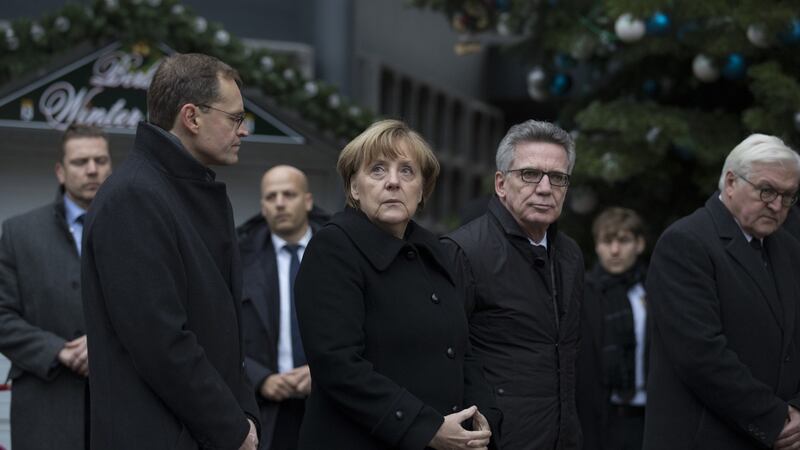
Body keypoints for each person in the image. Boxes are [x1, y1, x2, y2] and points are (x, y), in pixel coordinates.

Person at [81, 53, 260, 450]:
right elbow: (161, 341)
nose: (243, 131)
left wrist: (245, 415)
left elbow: (226, 337)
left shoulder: (188, 190)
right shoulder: (134, 197)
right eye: (235, 118)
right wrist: (233, 428)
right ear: (192, 117)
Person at [294, 119, 500, 450]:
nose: (393, 182)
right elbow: (337, 365)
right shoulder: (333, 248)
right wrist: (427, 428)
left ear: (423, 190)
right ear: (354, 188)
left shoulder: (434, 252)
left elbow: (461, 351)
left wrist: (484, 417)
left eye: (407, 171)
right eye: (377, 170)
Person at [644, 134, 800, 450]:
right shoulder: (686, 243)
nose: (777, 205)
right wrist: (775, 418)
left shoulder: (788, 248)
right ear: (730, 182)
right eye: (767, 190)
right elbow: (700, 356)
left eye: (788, 196)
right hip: (707, 438)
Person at [442, 119, 584, 450]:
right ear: (501, 184)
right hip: (493, 439)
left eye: (558, 178)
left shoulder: (570, 255)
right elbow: (446, 357)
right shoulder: (463, 251)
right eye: (530, 174)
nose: (546, 188)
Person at [0, 124, 111, 450]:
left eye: (100, 160)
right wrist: (58, 350)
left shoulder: (141, 230)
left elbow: (157, 311)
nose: (92, 169)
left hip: (120, 409)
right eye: (80, 162)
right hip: (45, 407)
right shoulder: (20, 233)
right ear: (61, 171)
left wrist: (104, 344)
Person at [239, 165, 327, 450]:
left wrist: (325, 371)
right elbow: (220, 329)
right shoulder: (238, 260)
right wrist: (259, 379)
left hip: (329, 402)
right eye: (271, 196)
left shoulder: (338, 253)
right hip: (266, 409)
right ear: (262, 206)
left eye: (288, 194)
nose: (279, 203)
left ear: (308, 201)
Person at [577, 207, 649, 450]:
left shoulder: (654, 290)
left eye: (624, 240)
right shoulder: (583, 292)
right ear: (597, 246)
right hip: (600, 416)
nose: (615, 250)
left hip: (648, 415)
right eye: (607, 241)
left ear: (639, 244)